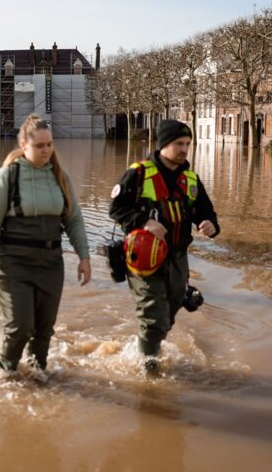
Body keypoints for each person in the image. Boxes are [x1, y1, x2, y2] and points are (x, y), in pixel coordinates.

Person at [0, 114, 91, 373]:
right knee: (20, 327)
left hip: (51, 264)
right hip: (14, 263)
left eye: (49, 144)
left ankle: (39, 376)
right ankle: (5, 372)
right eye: (40, 146)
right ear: (23, 145)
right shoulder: (7, 177)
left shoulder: (60, 177)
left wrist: (84, 257)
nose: (46, 150)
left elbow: (74, 220)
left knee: (44, 329)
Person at [108, 119, 220, 372]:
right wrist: (145, 221)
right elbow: (116, 209)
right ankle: (150, 371)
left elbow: (205, 210)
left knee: (166, 319)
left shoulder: (191, 179)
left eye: (188, 144)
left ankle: (146, 346)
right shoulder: (137, 174)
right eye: (179, 143)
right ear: (164, 144)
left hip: (178, 259)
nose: (184, 149)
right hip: (143, 259)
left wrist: (210, 224)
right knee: (153, 317)